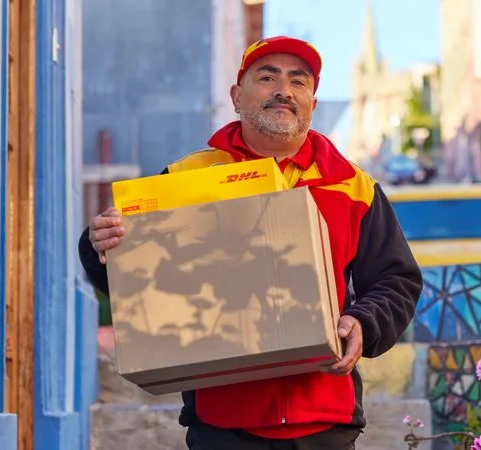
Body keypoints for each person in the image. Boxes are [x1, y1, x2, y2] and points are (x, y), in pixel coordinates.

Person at [78, 35, 423, 450]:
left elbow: (397, 280)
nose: (284, 90)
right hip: (223, 425)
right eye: (267, 77)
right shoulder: (188, 179)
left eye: (299, 81)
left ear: (312, 102)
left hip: (325, 422)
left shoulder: (355, 187)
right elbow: (134, 273)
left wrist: (364, 322)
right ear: (237, 96)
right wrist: (101, 244)